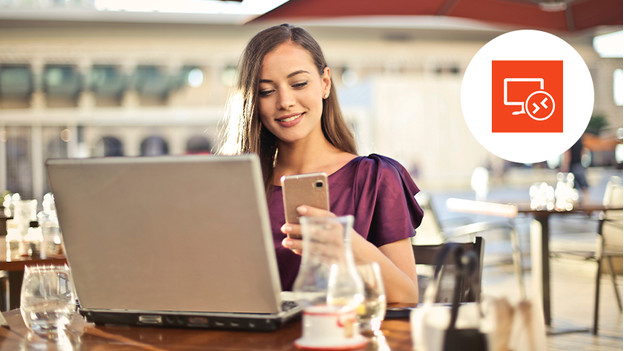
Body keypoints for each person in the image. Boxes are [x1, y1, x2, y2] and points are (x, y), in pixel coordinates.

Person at [218, 24, 423, 303]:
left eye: (299, 84)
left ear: (324, 83)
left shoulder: (375, 177)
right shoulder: (235, 186)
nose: (285, 102)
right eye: (267, 91)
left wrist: (346, 244)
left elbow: (407, 295)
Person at [561, 136, 589, 202]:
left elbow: (567, 154)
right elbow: (583, 152)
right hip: (579, 165)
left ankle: (571, 202)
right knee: (583, 186)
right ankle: (586, 202)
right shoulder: (580, 141)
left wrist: (564, 166)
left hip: (572, 166)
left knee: (570, 185)